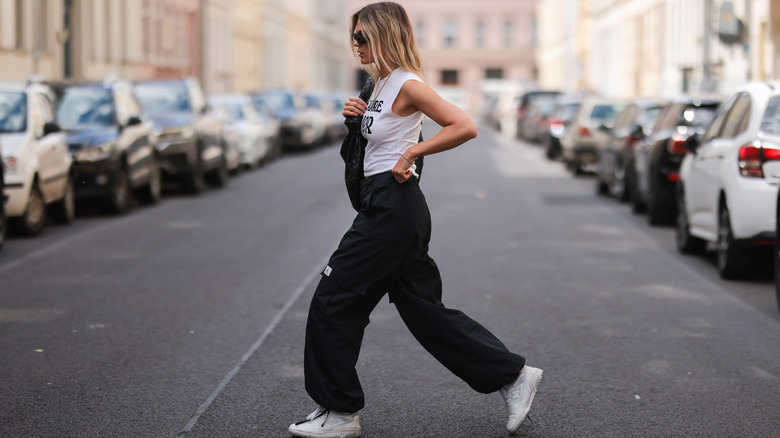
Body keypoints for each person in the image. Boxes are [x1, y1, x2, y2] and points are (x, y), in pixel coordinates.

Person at [288, 3, 543, 437]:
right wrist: (356, 121)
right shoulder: (380, 83)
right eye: (353, 37)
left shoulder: (407, 82)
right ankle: (513, 376)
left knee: (334, 300)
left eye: (362, 37)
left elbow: (463, 125)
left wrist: (412, 153)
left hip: (393, 210)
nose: (356, 45)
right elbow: (373, 148)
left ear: (384, 35)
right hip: (386, 205)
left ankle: (340, 412)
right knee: (423, 311)